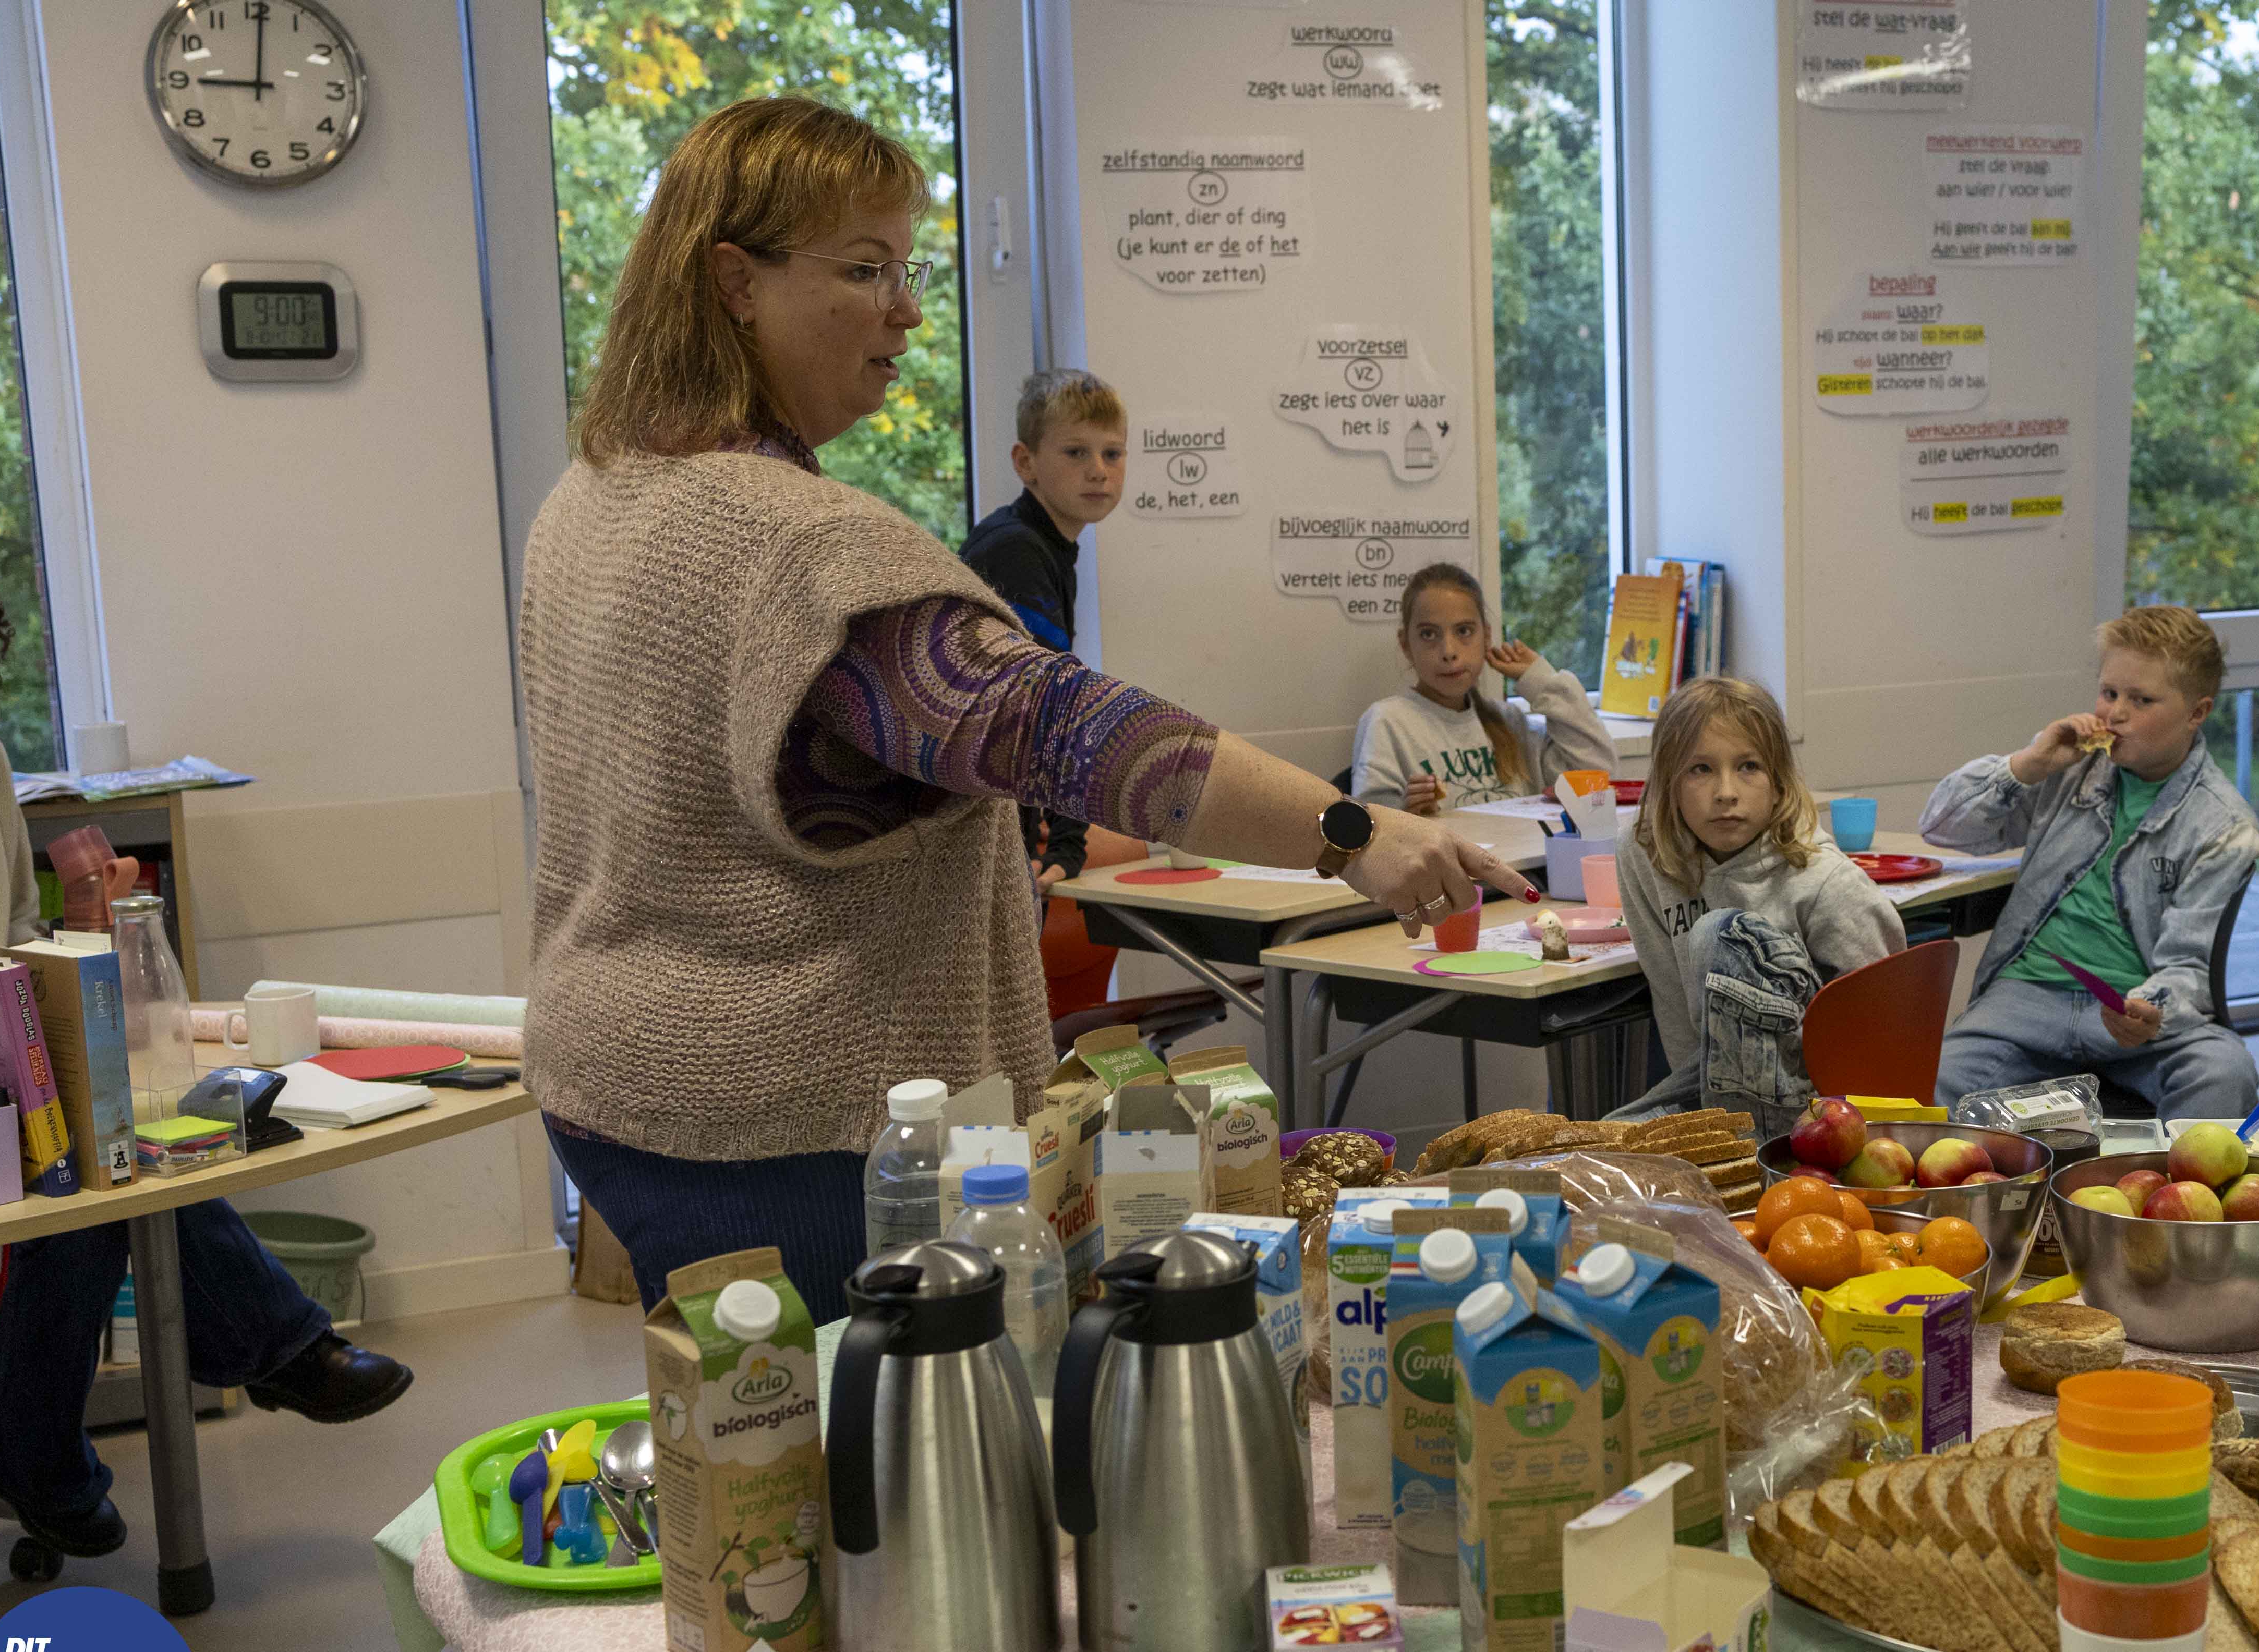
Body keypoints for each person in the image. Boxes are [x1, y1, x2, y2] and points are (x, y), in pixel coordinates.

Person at [518, 97, 1528, 1321]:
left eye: (908, 268)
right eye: (863, 268)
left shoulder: (596, 495)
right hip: (785, 1114)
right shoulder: (789, 540)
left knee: (748, 1449)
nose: (906, 309)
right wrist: (1359, 836)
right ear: (736, 281)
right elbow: (1062, 730)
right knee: (870, 1472)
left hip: (611, 1077)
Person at [0, 533, 409, 1561]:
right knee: (95, 1174)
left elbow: (12, 936)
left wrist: (83, 916)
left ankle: (27, 1445)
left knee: (111, 1161)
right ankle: (272, 1350)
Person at [1923, 606, 2259, 1120]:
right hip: (2028, 998)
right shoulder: (2070, 768)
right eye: (2109, 693)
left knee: (2224, 1072)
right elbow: (1943, 827)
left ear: (2197, 713)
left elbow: (2189, 966)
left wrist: (2155, 1011)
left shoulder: (2225, 828)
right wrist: (2028, 765)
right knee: (1932, 1085)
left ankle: (2175, 1192)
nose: (2115, 715)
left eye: (2141, 700)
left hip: (2133, 1009)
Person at [1612, 675, 1901, 1124]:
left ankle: (1753, 1157)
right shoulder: (1642, 852)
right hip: (1708, 1077)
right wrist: (1708, 1126)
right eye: (1700, 769)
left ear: (1779, 781)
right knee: (1602, 1147)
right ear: (1670, 782)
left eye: (1748, 766)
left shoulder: (1826, 881)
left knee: (1721, 935)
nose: (1726, 792)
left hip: (1818, 1105)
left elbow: (1887, 1021)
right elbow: (1673, 1000)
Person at [959, 367, 1126, 892]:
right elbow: (1049, 704)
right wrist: (1069, 839)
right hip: (983, 822)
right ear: (1026, 463)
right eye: (1076, 453)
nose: (1098, 471)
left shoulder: (1043, 546)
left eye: (1113, 454)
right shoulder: (1017, 550)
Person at [1350, 564, 1614, 814]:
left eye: (1464, 631)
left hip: (1523, 862)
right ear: (1406, 644)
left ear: (1487, 636)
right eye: (1429, 635)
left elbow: (1600, 780)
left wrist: (1544, 684)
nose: (1449, 652)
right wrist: (1408, 812)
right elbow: (1369, 827)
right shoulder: (1388, 722)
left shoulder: (1511, 722)